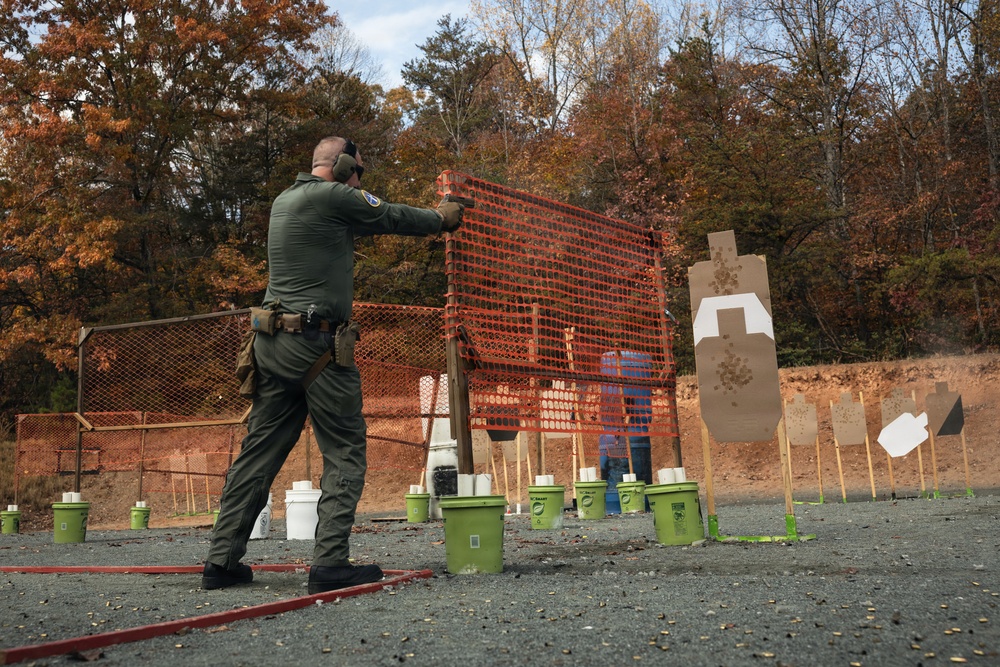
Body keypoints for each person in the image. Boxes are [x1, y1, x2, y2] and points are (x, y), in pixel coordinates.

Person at [203, 136, 464, 593]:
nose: (362, 175)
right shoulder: (332, 195)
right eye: (359, 167)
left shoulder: (289, 200)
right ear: (343, 165)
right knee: (345, 450)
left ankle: (221, 562)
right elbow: (388, 215)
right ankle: (329, 564)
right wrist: (440, 220)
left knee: (257, 454)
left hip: (271, 344)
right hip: (317, 345)